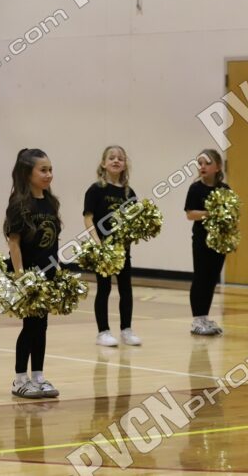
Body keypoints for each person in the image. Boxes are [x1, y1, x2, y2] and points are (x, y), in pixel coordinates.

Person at [5, 148, 61, 399]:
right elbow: (14, 242)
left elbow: (54, 240)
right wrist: (21, 277)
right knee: (29, 326)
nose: (48, 174)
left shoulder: (51, 202)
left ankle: (38, 376)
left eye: (50, 170)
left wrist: (57, 272)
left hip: (48, 274)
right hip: (27, 275)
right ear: (28, 173)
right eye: (43, 170)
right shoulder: (19, 203)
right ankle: (19, 379)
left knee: (42, 325)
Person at [83, 145, 140, 347]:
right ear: (103, 163)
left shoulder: (129, 193)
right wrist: (98, 244)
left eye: (120, 158)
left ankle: (126, 330)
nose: (116, 161)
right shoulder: (96, 190)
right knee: (104, 288)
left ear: (125, 165)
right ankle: (103, 332)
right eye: (112, 157)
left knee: (126, 288)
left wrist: (130, 238)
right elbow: (88, 218)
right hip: (103, 249)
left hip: (122, 249)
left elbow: (135, 222)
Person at [184, 149, 229, 336]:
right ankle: (197, 319)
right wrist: (211, 214)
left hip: (220, 241)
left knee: (212, 278)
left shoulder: (225, 189)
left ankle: (204, 317)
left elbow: (231, 213)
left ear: (218, 167)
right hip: (202, 240)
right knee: (201, 277)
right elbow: (190, 214)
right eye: (200, 163)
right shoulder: (196, 188)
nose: (202, 167)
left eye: (207, 163)